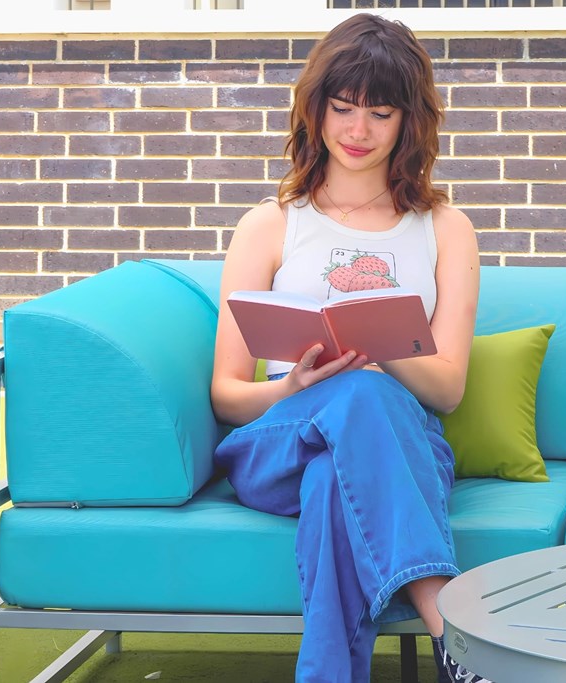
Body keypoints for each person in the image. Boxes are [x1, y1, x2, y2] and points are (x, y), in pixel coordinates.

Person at [210, 13, 488, 683]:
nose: (357, 131)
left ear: (409, 122)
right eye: (342, 109)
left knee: (334, 477)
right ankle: (447, 620)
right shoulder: (269, 226)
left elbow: (448, 388)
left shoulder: (445, 229)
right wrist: (294, 386)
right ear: (316, 111)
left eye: (380, 113)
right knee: (350, 401)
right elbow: (226, 391)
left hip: (401, 448)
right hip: (279, 438)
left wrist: (376, 340)